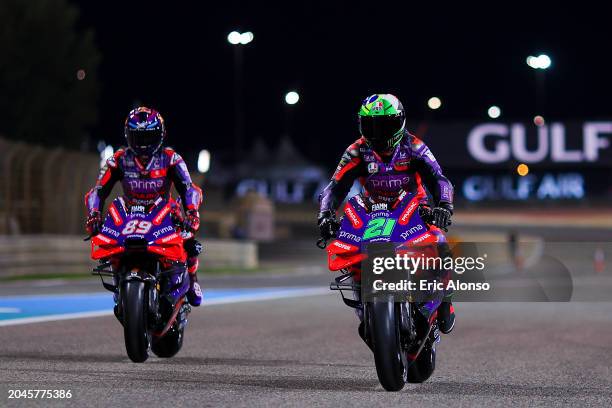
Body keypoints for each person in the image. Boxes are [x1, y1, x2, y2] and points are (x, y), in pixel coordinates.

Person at [318, 93, 455, 334]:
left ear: (400, 122)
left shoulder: (414, 147)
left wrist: (444, 206)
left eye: (386, 125)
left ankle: (445, 302)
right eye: (372, 126)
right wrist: (325, 215)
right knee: (350, 249)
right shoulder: (356, 151)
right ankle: (364, 300)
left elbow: (440, 179)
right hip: (372, 213)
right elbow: (335, 187)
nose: (379, 133)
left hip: (414, 211)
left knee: (441, 243)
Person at [85, 106, 203, 307]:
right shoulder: (117, 159)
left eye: (148, 137)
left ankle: (192, 280)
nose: (143, 143)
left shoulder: (171, 158)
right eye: (137, 137)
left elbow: (189, 188)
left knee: (189, 241)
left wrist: (191, 212)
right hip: (129, 215)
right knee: (110, 243)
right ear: (128, 135)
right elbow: (97, 190)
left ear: (161, 135)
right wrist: (94, 214)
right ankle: (119, 280)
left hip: (164, 213)